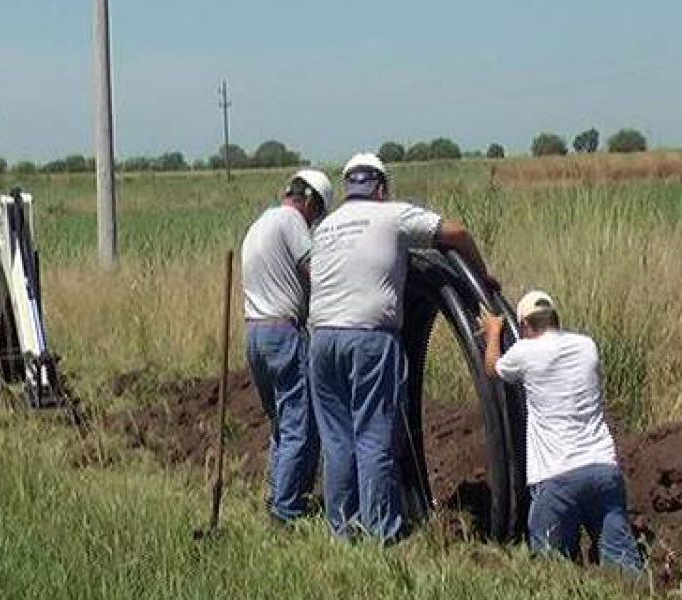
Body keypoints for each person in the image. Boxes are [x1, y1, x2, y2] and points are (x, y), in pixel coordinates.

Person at [309, 152, 497, 542]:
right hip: (370, 339)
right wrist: (484, 278)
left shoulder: (325, 228)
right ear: (381, 187)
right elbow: (457, 233)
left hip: (322, 341)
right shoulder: (392, 214)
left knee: (338, 440)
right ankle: (381, 534)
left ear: (348, 188)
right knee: (375, 435)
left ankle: (342, 532)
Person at [482, 291, 642, 574]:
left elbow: (493, 367)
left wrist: (494, 331)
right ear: (555, 319)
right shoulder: (586, 346)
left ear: (525, 327)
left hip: (557, 476)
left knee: (552, 572)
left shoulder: (524, 352)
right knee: (623, 564)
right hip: (603, 469)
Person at [241, 169, 332, 523]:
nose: (313, 222)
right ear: (309, 200)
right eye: (317, 213)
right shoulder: (292, 221)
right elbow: (315, 271)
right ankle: (287, 510)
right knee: (298, 423)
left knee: (281, 423)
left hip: (255, 333)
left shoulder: (260, 224)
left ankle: (277, 495)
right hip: (283, 332)